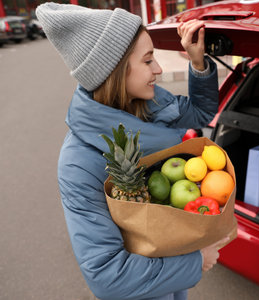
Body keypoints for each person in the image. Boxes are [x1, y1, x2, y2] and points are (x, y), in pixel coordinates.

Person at [36, 3, 229, 300]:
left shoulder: (150, 104)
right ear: (116, 71)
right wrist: (195, 262)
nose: (159, 69)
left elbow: (201, 113)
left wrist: (197, 62)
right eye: (148, 60)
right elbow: (107, 276)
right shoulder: (78, 164)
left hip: (174, 283)